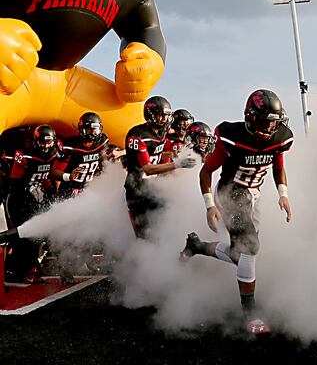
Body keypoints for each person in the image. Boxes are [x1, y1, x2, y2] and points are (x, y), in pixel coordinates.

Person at [0, 0, 195, 144]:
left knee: (137, 132)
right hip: (8, 83)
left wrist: (149, 60)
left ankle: (131, 178)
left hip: (67, 86)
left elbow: (147, 29)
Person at [179, 89, 293, 335]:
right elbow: (205, 172)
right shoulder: (232, 136)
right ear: (251, 118)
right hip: (230, 193)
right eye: (266, 121)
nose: (271, 127)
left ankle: (197, 247)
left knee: (239, 254)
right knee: (250, 248)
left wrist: (283, 194)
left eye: (275, 122)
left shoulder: (280, 137)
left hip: (254, 195)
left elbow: (278, 165)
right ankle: (249, 313)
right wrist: (210, 205)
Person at [125, 96, 196, 239]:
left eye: (167, 116)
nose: (165, 119)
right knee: (144, 235)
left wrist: (174, 154)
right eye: (161, 115)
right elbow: (148, 168)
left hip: (153, 188)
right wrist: (177, 164)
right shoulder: (137, 135)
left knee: (165, 224)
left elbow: (155, 155)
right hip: (137, 190)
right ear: (150, 114)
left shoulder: (162, 132)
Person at [3, 125, 60, 283]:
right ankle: (13, 270)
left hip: (36, 200)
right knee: (24, 237)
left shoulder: (54, 154)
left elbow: (50, 176)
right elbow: (14, 183)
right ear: (35, 142)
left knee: (38, 236)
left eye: (49, 143)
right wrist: (27, 200)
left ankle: (28, 268)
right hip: (19, 200)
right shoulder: (25, 155)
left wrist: (49, 194)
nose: (46, 146)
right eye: (43, 143)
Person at [51, 112, 110, 200]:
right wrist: (69, 176)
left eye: (95, 130)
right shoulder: (70, 146)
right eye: (90, 130)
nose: (93, 134)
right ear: (82, 129)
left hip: (88, 188)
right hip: (69, 189)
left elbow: (103, 158)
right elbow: (54, 171)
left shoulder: (102, 141)